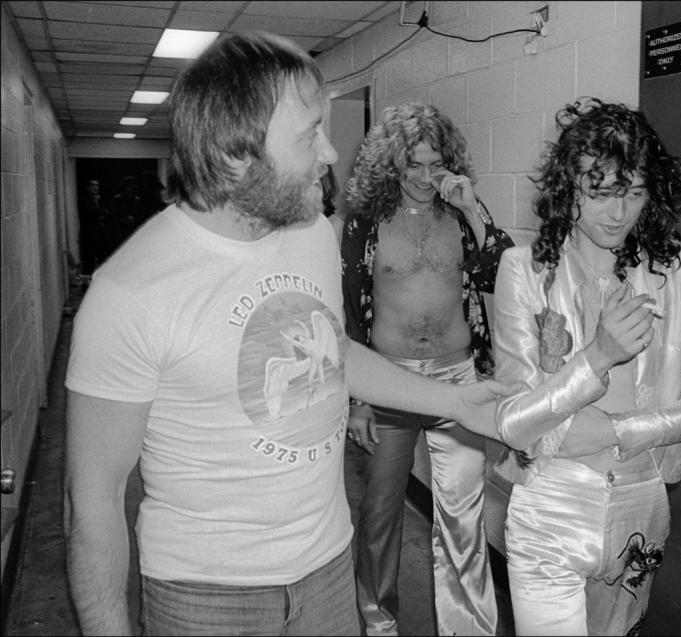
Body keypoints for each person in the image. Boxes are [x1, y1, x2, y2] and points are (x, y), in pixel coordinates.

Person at [63, 33, 508, 637]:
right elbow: (92, 506)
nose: (330, 152)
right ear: (237, 156)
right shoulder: (130, 295)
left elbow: (331, 348)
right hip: (205, 597)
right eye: (309, 134)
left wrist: (454, 401)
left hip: (326, 572)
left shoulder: (309, 234)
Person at [491, 98, 681, 635]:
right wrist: (597, 356)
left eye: (633, 192)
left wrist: (624, 431)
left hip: (640, 502)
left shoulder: (673, 267)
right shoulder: (524, 273)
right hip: (551, 505)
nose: (618, 212)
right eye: (599, 193)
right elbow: (513, 423)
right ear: (568, 188)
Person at [341, 102, 514, 637]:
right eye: (411, 165)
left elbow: (504, 276)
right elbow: (349, 311)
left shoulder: (463, 214)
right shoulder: (365, 223)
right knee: (379, 517)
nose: (423, 177)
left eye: (434, 164)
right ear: (390, 165)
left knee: (464, 521)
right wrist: (359, 397)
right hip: (389, 381)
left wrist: (474, 211)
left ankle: (469, 629)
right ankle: (379, 623)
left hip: (457, 379)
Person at [77, 178, 109, 274]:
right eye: (93, 185)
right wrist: (101, 213)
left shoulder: (99, 199)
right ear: (88, 188)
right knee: (88, 264)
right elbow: (92, 213)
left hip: (100, 235)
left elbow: (106, 213)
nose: (96, 188)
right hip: (89, 237)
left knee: (102, 262)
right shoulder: (85, 200)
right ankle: (86, 287)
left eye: (97, 185)